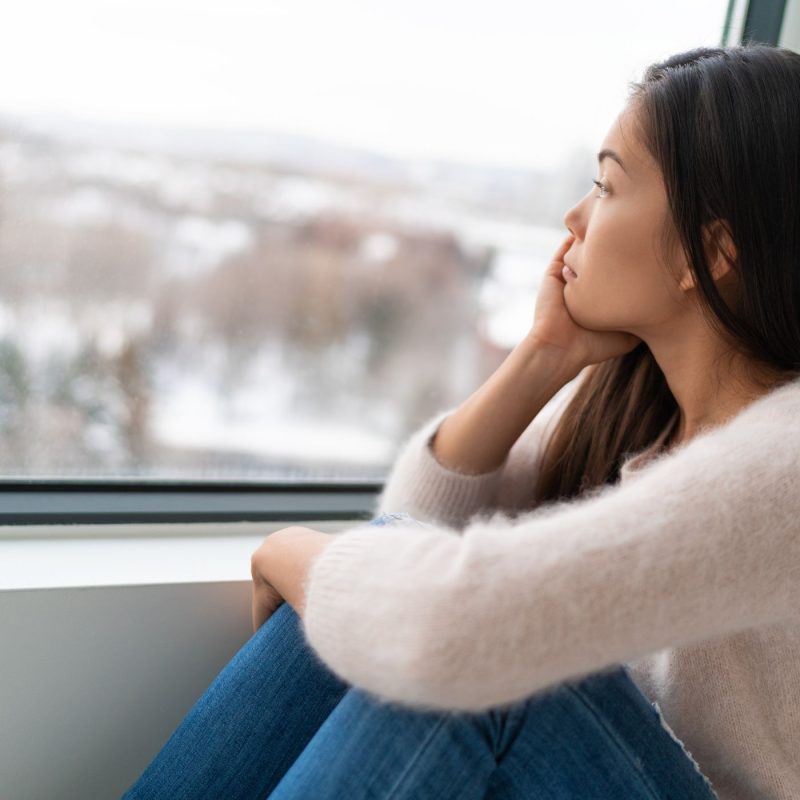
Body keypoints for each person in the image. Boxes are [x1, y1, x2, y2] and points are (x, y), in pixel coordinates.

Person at [122, 42, 800, 799]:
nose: (574, 218)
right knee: (383, 604)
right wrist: (543, 355)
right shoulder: (649, 408)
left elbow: (443, 627)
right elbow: (417, 525)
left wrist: (292, 553)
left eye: (607, 187)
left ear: (710, 252)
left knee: (487, 666)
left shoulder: (787, 458)